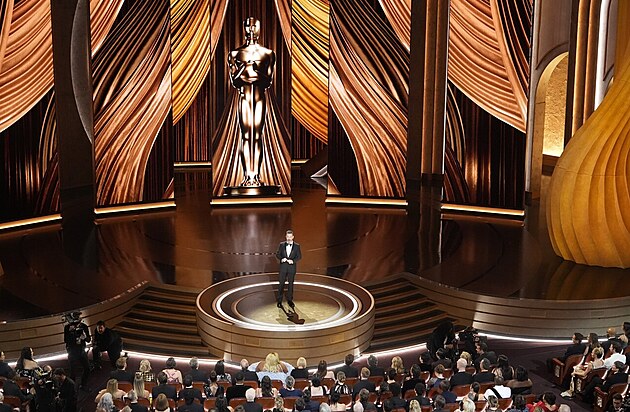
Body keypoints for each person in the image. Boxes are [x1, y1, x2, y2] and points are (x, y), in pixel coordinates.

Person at [227, 16, 276, 188]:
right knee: (246, 136)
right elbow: (235, 81)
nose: (251, 29)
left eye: (254, 26)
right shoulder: (235, 54)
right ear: (244, 28)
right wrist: (244, 68)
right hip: (245, 97)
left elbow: (268, 81)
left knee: (257, 135)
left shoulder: (268, 54)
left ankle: (256, 175)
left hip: (259, 97)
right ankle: (247, 176)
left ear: (259, 28)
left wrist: (254, 71)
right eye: (248, 26)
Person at [62, 311, 91, 390]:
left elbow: (89, 339)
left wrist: (84, 337)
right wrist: (71, 333)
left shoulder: (84, 327)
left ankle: (83, 384)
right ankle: (72, 388)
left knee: (87, 368)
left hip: (82, 350)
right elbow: (66, 340)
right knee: (73, 371)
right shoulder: (67, 328)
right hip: (72, 351)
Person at [276, 230, 302, 308]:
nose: (289, 238)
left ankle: (290, 300)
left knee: (290, 284)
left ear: (293, 237)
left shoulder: (297, 246)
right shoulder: (281, 245)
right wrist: (282, 259)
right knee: (281, 284)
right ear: (286, 237)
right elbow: (278, 254)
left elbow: (299, 256)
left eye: (290, 237)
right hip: (283, 267)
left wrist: (293, 261)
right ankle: (279, 301)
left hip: (291, 268)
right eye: (287, 236)